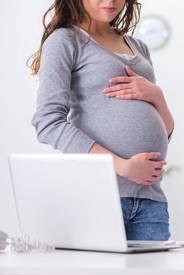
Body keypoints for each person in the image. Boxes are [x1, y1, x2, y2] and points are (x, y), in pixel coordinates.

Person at [29, 0, 174, 241]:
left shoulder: (138, 46)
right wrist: (121, 166)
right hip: (98, 196)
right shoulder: (65, 40)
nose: (111, 1)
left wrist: (157, 96)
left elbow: (165, 132)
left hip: (151, 199)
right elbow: (47, 122)